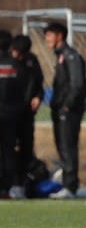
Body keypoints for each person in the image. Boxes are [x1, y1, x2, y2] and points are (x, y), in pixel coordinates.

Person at [44, 22, 86, 200]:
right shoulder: (60, 56)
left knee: (68, 147)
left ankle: (70, 186)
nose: (46, 38)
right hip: (61, 110)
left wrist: (67, 105)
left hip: (68, 112)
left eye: (49, 34)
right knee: (62, 147)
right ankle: (66, 183)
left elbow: (78, 85)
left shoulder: (71, 56)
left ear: (59, 35)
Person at [9, 34, 44, 199]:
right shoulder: (7, 62)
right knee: (9, 149)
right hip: (9, 114)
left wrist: (38, 96)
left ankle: (23, 183)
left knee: (26, 149)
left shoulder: (32, 62)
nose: (18, 56)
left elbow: (39, 84)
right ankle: (10, 184)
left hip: (26, 114)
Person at [0, 30, 27, 199]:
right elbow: (23, 91)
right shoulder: (17, 66)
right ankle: (10, 186)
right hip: (12, 116)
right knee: (9, 151)